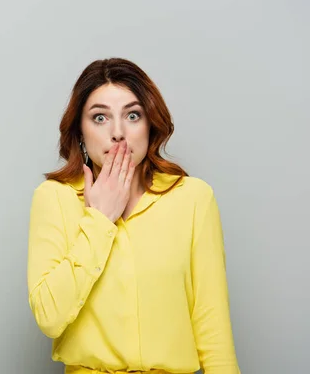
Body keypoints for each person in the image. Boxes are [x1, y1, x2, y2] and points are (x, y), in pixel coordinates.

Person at [26, 58, 240, 374]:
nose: (117, 133)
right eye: (100, 117)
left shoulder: (193, 198)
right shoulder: (54, 197)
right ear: (80, 132)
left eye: (132, 115)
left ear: (150, 123)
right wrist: (99, 219)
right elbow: (49, 317)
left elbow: (213, 330)